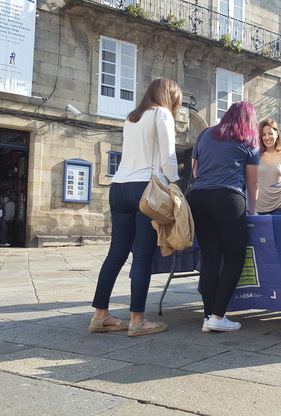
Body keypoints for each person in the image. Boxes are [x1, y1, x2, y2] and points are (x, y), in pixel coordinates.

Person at [90, 77, 182, 337]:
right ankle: (138, 320)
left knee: (116, 253)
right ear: (169, 97)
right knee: (142, 256)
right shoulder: (162, 114)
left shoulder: (131, 117)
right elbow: (168, 156)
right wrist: (174, 183)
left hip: (119, 187)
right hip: (146, 188)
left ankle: (100, 315)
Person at [186, 101, 260, 332]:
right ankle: (219, 315)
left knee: (209, 258)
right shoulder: (248, 141)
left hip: (198, 198)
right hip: (228, 199)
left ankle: (209, 316)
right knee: (234, 259)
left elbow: (195, 170)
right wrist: (253, 211)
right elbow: (252, 182)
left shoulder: (205, 134)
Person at [256, 118, 281, 215]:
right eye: (263, 135)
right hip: (259, 208)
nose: (267, 137)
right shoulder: (254, 156)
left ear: (277, 133)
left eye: (270, 133)